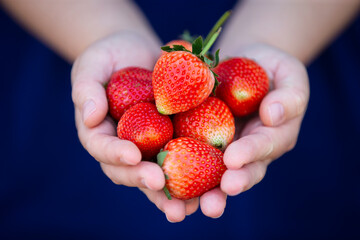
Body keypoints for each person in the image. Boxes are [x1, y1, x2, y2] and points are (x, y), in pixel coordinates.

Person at [1, 0, 359, 238]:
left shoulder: (191, 80)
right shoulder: (177, 84)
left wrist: (273, 38)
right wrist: (100, 33)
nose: (166, 105)